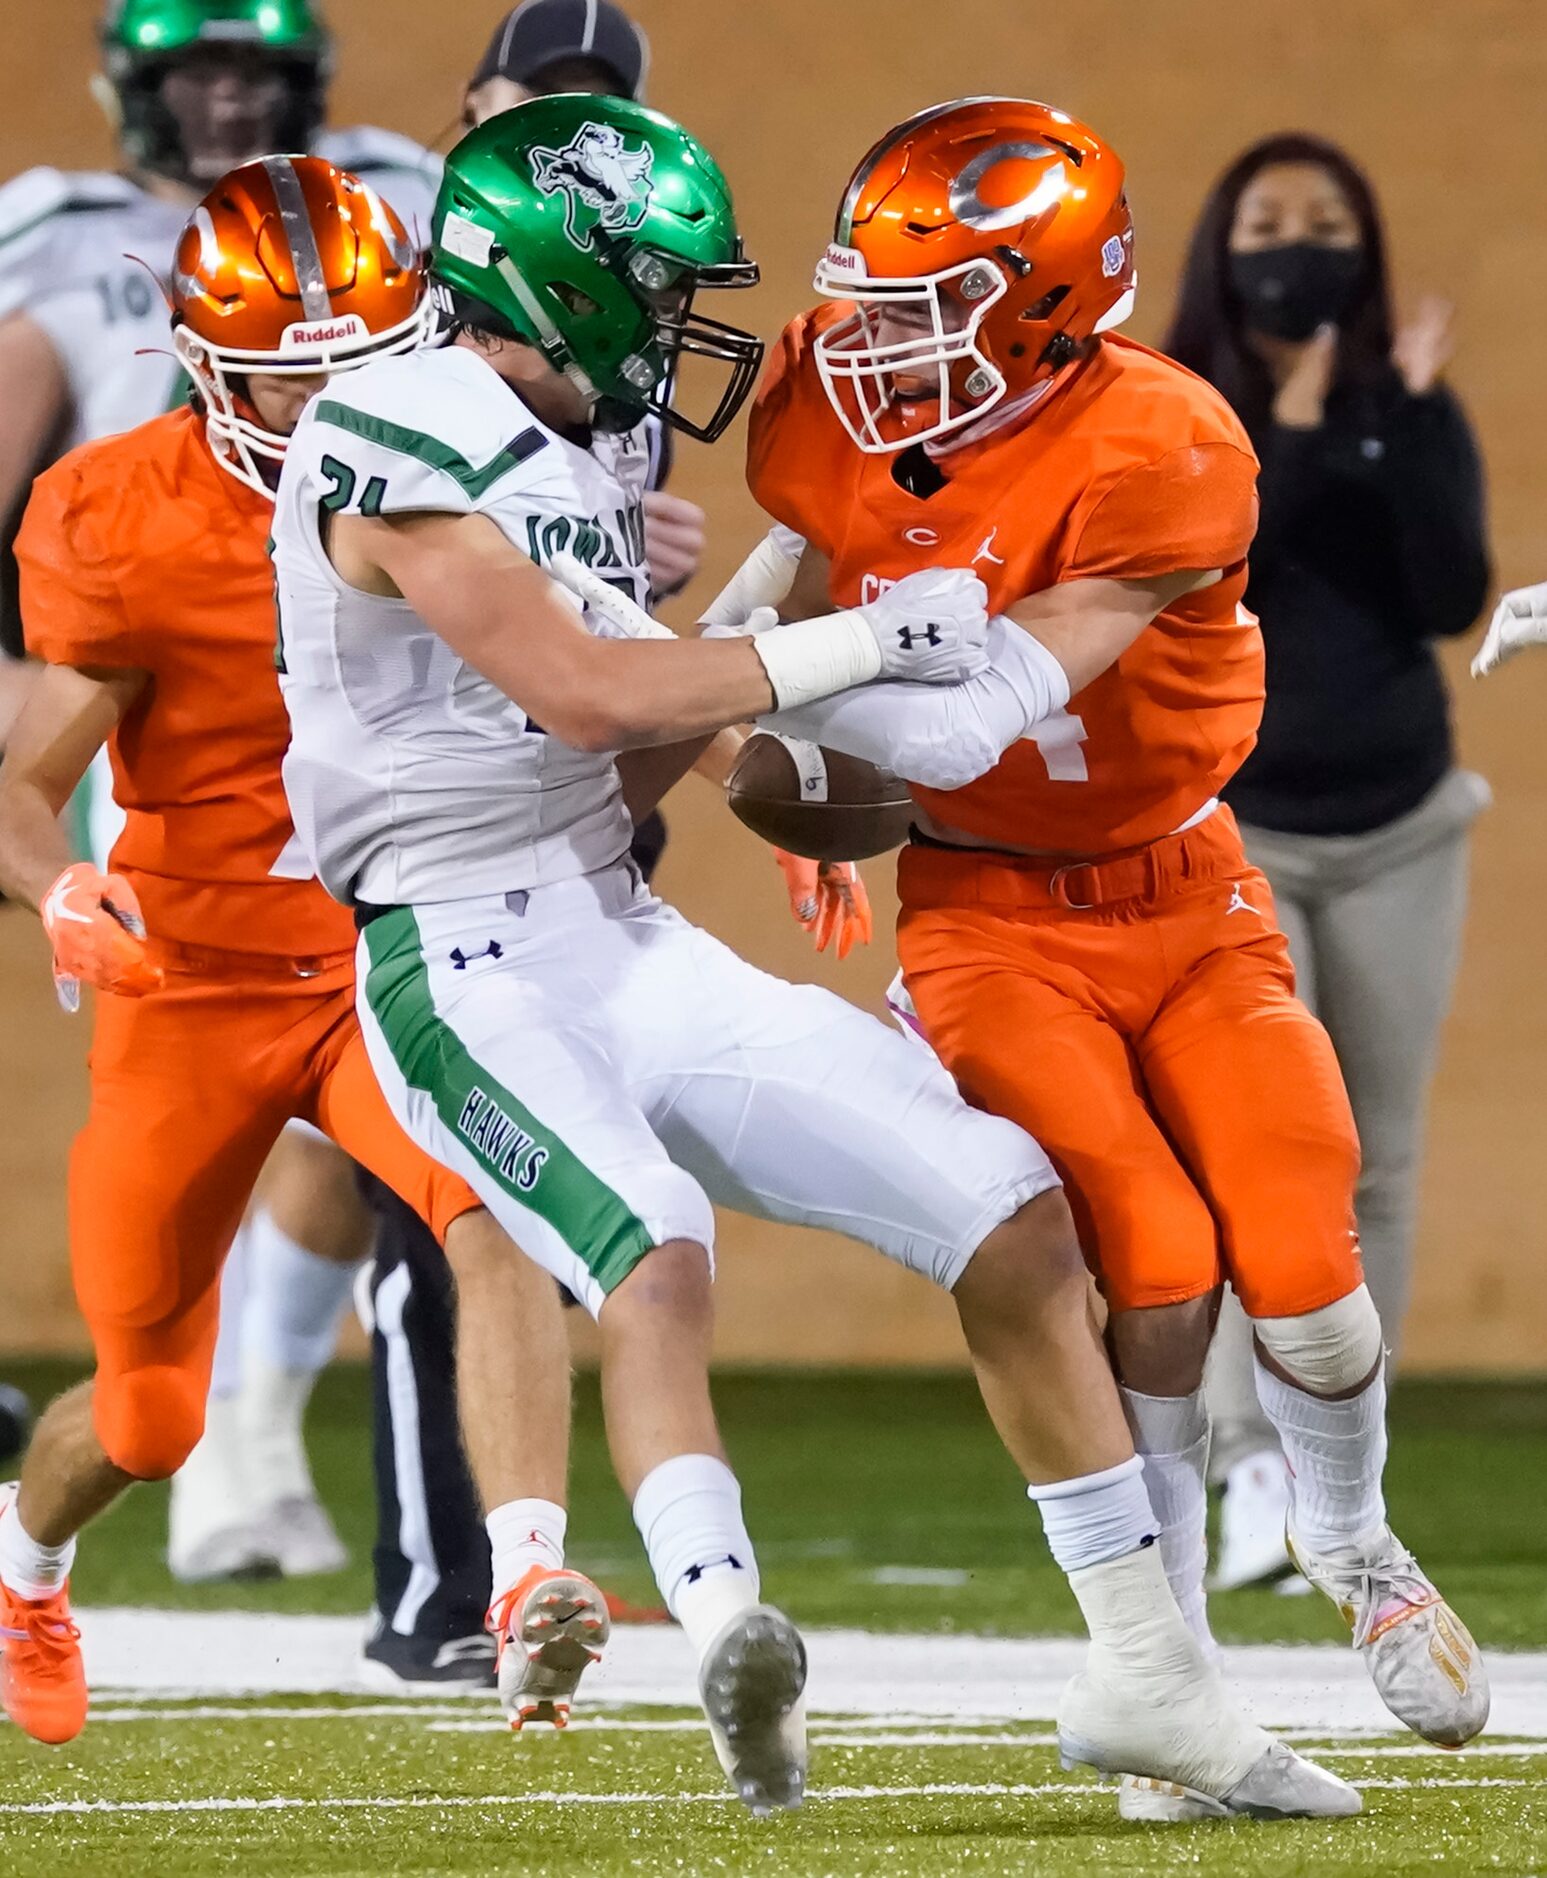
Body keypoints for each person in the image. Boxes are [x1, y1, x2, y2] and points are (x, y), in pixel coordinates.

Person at [272, 91, 1360, 1821]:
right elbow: (581, 688)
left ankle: (1156, 1675)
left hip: (614, 924)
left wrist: (802, 787)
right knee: (662, 1242)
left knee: (1007, 1203)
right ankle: (724, 1632)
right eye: (663, 284)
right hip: (453, 956)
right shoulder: (389, 419)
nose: (695, 325)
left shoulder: (576, 448)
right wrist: (855, 638)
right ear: (568, 280)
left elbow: (655, 698)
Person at [742, 95, 1488, 1820]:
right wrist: (740, 657)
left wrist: (729, 688)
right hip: (988, 912)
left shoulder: (1164, 440)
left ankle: (1354, 1536)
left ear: (1048, 302)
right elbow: (806, 544)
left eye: (921, 310)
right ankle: (1177, 1679)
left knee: (1305, 1251)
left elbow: (969, 716)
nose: (867, 341)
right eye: (865, 298)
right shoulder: (825, 398)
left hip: (1183, 883)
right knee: (1150, 1257)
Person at [0, 158, 598, 1751]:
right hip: (187, 981)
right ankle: (25, 1565)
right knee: (147, 1414)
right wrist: (59, 888)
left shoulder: (474, 470)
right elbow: (20, 776)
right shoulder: (116, 511)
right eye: (284, 368)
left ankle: (524, 1581)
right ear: (200, 360)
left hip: (380, 959)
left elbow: (584, 673)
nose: (326, 398)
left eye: (354, 362)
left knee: (501, 1202)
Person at [0, 0, 444, 1585]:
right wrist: (50, 845)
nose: (226, 102)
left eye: (253, 75)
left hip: (395, 806)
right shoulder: (66, 254)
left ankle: (507, 1551)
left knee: (509, 1198)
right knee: (140, 1393)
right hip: (182, 788)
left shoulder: (398, 209)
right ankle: (168, 1462)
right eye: (195, 73)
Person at [1160, 135, 1491, 1591]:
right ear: (1221, 250)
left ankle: (1341, 1471)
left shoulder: (1413, 404)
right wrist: (1288, 419)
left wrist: (1402, 418)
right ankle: (1243, 1461)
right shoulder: (1180, 407)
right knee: (1252, 1142)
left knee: (1381, 1154)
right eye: (1272, 224)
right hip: (1238, 818)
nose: (1301, 248)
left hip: (1404, 819)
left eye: (1329, 223)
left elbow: (1447, 588)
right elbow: (1219, 558)